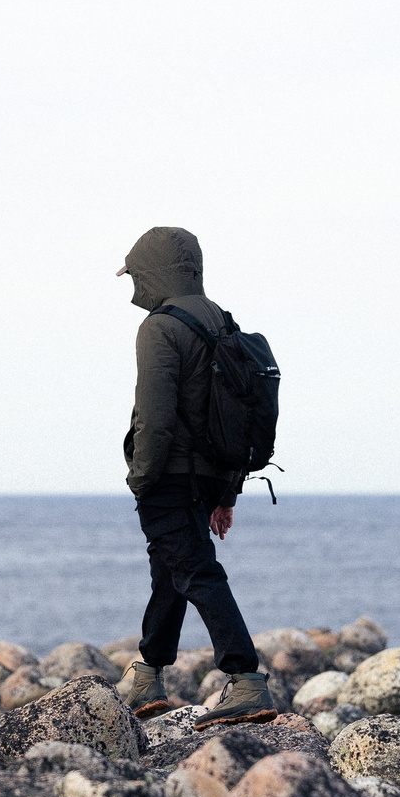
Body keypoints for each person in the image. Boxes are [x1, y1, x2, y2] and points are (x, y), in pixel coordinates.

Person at [111, 226, 277, 727]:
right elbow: (234, 413)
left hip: (170, 475)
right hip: (208, 477)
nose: (133, 286)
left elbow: (155, 417)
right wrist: (226, 492)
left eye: (135, 275)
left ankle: (246, 680)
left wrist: (141, 480)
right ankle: (148, 675)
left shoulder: (160, 327)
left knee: (195, 570)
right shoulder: (222, 321)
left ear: (152, 272)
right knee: (171, 569)